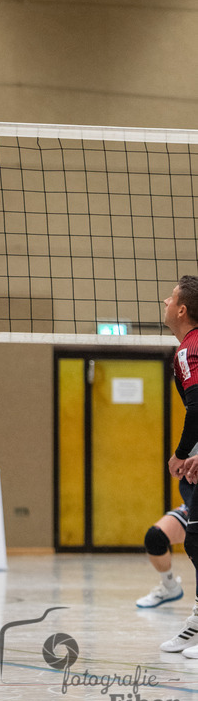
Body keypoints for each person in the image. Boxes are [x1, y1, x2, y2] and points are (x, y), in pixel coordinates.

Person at [157, 276, 198, 657]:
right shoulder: (187, 349)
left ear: (182, 310)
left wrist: (181, 453)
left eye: (170, 298)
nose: (164, 302)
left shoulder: (191, 350)